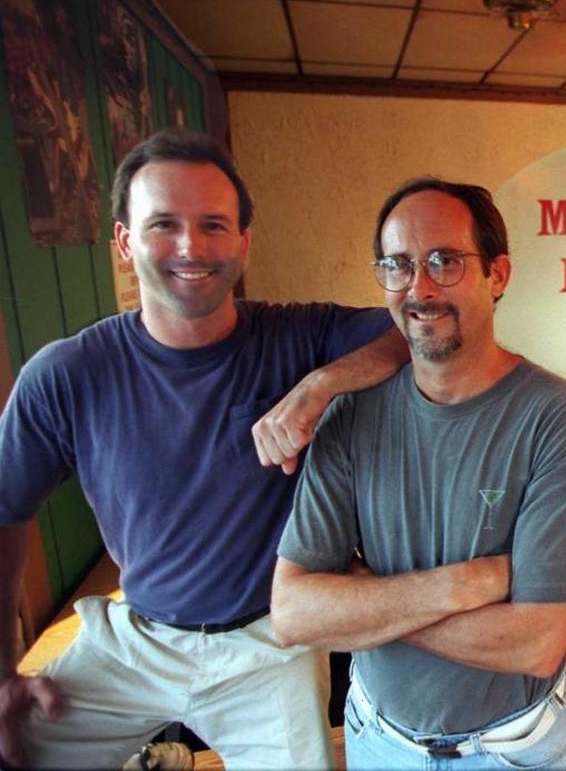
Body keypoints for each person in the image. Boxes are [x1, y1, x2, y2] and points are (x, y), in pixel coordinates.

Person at [0, 129, 410, 767]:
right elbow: (6, 507)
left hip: (269, 642)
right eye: (163, 223)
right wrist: (3, 670)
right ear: (124, 241)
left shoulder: (295, 335)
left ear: (243, 244)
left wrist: (320, 385)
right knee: (15, 747)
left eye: (214, 225)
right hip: (134, 635)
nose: (191, 246)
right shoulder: (66, 373)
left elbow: (411, 328)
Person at [272, 178, 566, 768]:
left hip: (513, 749)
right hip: (376, 739)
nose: (419, 288)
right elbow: (295, 612)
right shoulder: (351, 412)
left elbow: (538, 641)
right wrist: (469, 584)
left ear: (497, 275)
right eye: (398, 265)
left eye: (444, 261)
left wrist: (364, 602)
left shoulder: (562, 416)